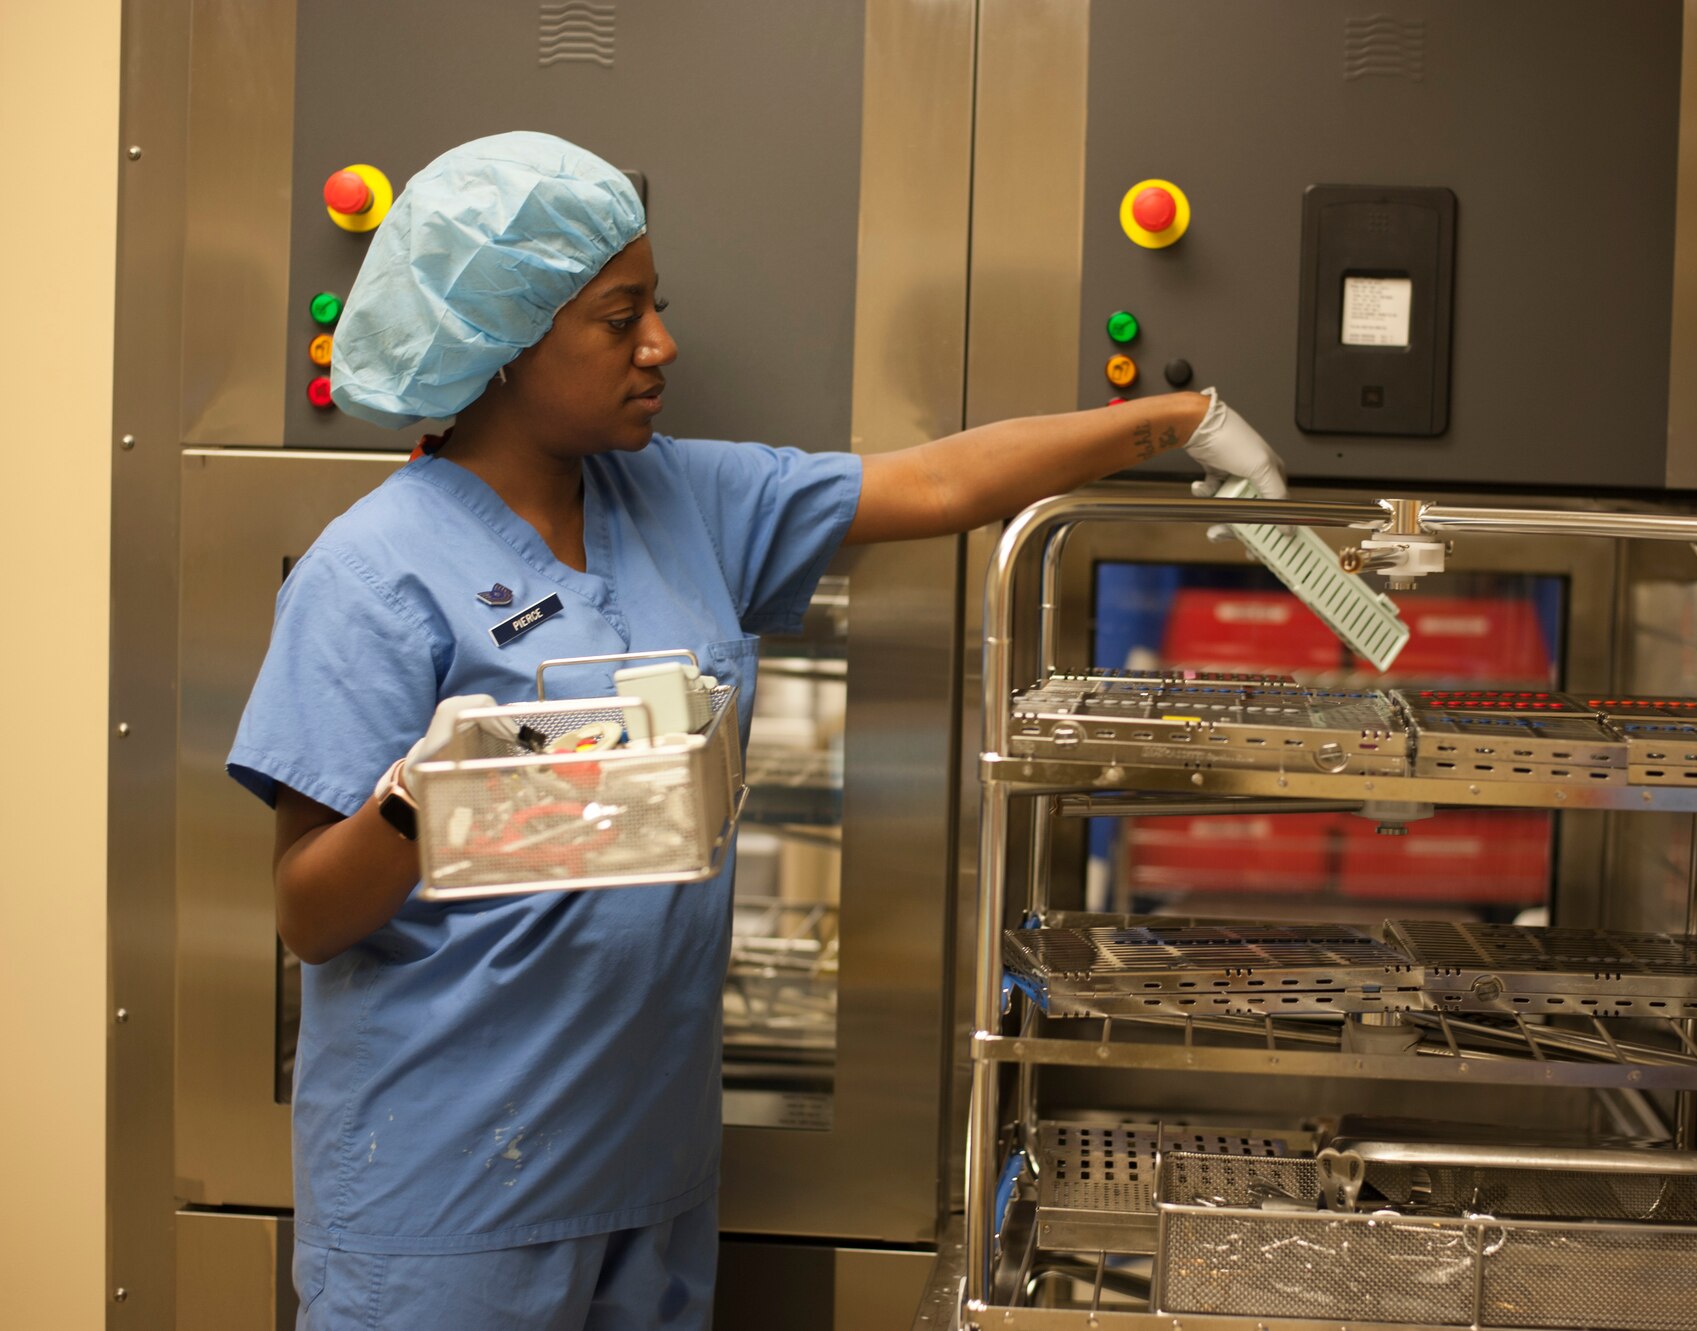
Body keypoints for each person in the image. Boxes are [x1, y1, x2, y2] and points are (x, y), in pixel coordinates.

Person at [228, 131, 1285, 1330]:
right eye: (620, 319)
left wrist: (1176, 421)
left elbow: (937, 484)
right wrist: (434, 787)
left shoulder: (681, 497)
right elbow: (310, 914)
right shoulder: (370, 573)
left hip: (643, 1169)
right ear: (507, 341)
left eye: (655, 309)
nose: (661, 346)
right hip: (449, 1186)